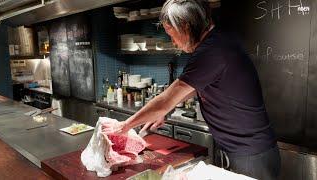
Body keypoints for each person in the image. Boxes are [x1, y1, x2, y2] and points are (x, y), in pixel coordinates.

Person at [102, 0, 281, 179]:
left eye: (172, 36)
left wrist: (124, 126)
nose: (173, 43)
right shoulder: (217, 41)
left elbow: (167, 98)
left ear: (185, 26)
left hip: (251, 155)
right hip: (242, 150)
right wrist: (164, 110)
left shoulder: (212, 51)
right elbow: (189, 90)